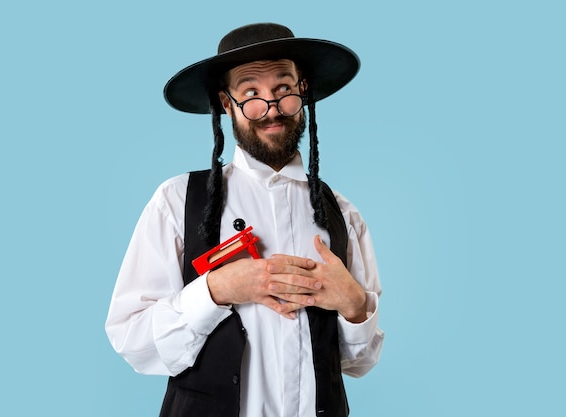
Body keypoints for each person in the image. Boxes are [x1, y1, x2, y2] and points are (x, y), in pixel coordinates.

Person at [105, 22, 384, 417]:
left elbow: (360, 362)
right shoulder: (176, 200)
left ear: (302, 90)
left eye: (283, 88)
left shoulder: (343, 213)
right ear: (226, 102)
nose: (271, 108)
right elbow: (132, 339)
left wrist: (354, 304)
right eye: (251, 93)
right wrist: (216, 290)